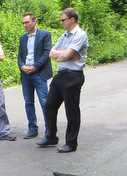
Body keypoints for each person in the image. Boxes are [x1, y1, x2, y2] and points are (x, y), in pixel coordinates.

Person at [37, 7, 89, 153]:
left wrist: (64, 55)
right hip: (60, 75)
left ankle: (71, 143)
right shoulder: (65, 36)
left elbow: (65, 56)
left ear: (72, 19)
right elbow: (52, 53)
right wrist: (66, 54)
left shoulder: (80, 35)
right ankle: (51, 136)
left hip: (73, 76)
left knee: (71, 111)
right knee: (49, 106)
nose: (61, 22)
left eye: (63, 19)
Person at [18, 12, 53, 139]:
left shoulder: (45, 34)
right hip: (26, 74)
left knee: (44, 102)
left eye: (27, 22)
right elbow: (20, 55)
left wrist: (35, 67)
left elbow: (46, 53)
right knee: (28, 102)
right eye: (23, 23)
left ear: (34, 21)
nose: (25, 25)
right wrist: (22, 66)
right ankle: (32, 128)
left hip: (39, 73)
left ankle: (49, 130)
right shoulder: (23, 38)